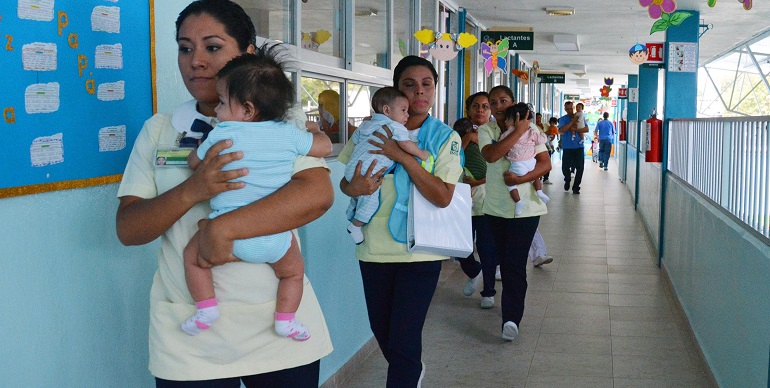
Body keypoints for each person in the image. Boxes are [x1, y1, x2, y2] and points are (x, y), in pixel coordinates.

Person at [115, 1, 333, 385]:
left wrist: (220, 230)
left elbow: (315, 196)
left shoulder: (283, 123)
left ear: (247, 54)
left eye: (212, 47)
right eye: (185, 48)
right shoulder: (160, 129)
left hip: (275, 327)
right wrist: (192, 190)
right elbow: (129, 230)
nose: (195, 61)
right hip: (190, 336)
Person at [180, 49, 333, 340]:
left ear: (248, 110)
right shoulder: (288, 134)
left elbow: (193, 163)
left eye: (223, 102)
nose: (217, 110)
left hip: (227, 239)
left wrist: (197, 152)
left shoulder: (222, 133)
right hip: (275, 238)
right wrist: (316, 130)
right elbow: (324, 148)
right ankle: (286, 320)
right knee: (293, 273)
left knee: (192, 258)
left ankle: (206, 308)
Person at [338, 55, 463, 386]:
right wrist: (355, 187)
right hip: (373, 248)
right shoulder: (369, 128)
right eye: (409, 85)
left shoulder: (445, 137)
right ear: (396, 91)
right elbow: (346, 183)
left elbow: (443, 196)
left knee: (405, 341)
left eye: (427, 84)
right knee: (384, 333)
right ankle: (411, 371)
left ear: (436, 90)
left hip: (419, 249)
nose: (418, 92)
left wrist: (402, 158)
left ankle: (407, 374)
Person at [478, 86, 550, 341]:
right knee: (498, 257)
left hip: (527, 210)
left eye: (504, 100)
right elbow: (492, 155)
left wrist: (522, 178)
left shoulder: (534, 131)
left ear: (513, 103)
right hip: (495, 208)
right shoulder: (486, 130)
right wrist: (517, 130)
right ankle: (499, 302)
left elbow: (545, 164)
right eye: (493, 102)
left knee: (514, 263)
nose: (498, 106)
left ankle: (511, 318)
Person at [345, 87, 430, 244]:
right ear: (386, 110)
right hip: (367, 173)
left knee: (360, 195)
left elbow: (356, 141)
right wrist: (421, 153)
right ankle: (355, 226)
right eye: (403, 110)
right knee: (371, 201)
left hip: (352, 169)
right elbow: (405, 144)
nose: (407, 114)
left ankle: (352, 211)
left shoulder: (366, 124)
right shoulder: (394, 126)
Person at [453, 93, 499, 308]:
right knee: (460, 246)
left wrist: (479, 180)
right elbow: (451, 160)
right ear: (469, 110)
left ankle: (488, 291)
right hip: (462, 199)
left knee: (487, 247)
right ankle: (473, 271)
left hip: (488, 199)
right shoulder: (458, 133)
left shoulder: (497, 133)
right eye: (476, 106)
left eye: (485, 106)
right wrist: (467, 139)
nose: (480, 110)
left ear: (490, 111)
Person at [500, 105, 550, 216]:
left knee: (509, 182)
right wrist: (542, 133)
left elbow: (501, 147)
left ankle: (518, 202)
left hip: (518, 164)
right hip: (531, 162)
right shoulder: (532, 131)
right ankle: (539, 192)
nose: (505, 122)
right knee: (534, 176)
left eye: (507, 119)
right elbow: (542, 140)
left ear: (515, 120)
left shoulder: (508, 134)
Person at [559, 101, 589, 194]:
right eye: (567, 109)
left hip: (579, 147)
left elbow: (586, 129)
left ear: (573, 108)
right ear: (565, 109)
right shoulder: (563, 119)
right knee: (565, 167)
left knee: (580, 168)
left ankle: (576, 187)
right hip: (567, 147)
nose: (569, 110)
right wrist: (572, 122)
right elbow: (562, 129)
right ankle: (567, 179)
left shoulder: (580, 116)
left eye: (571, 108)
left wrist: (575, 129)